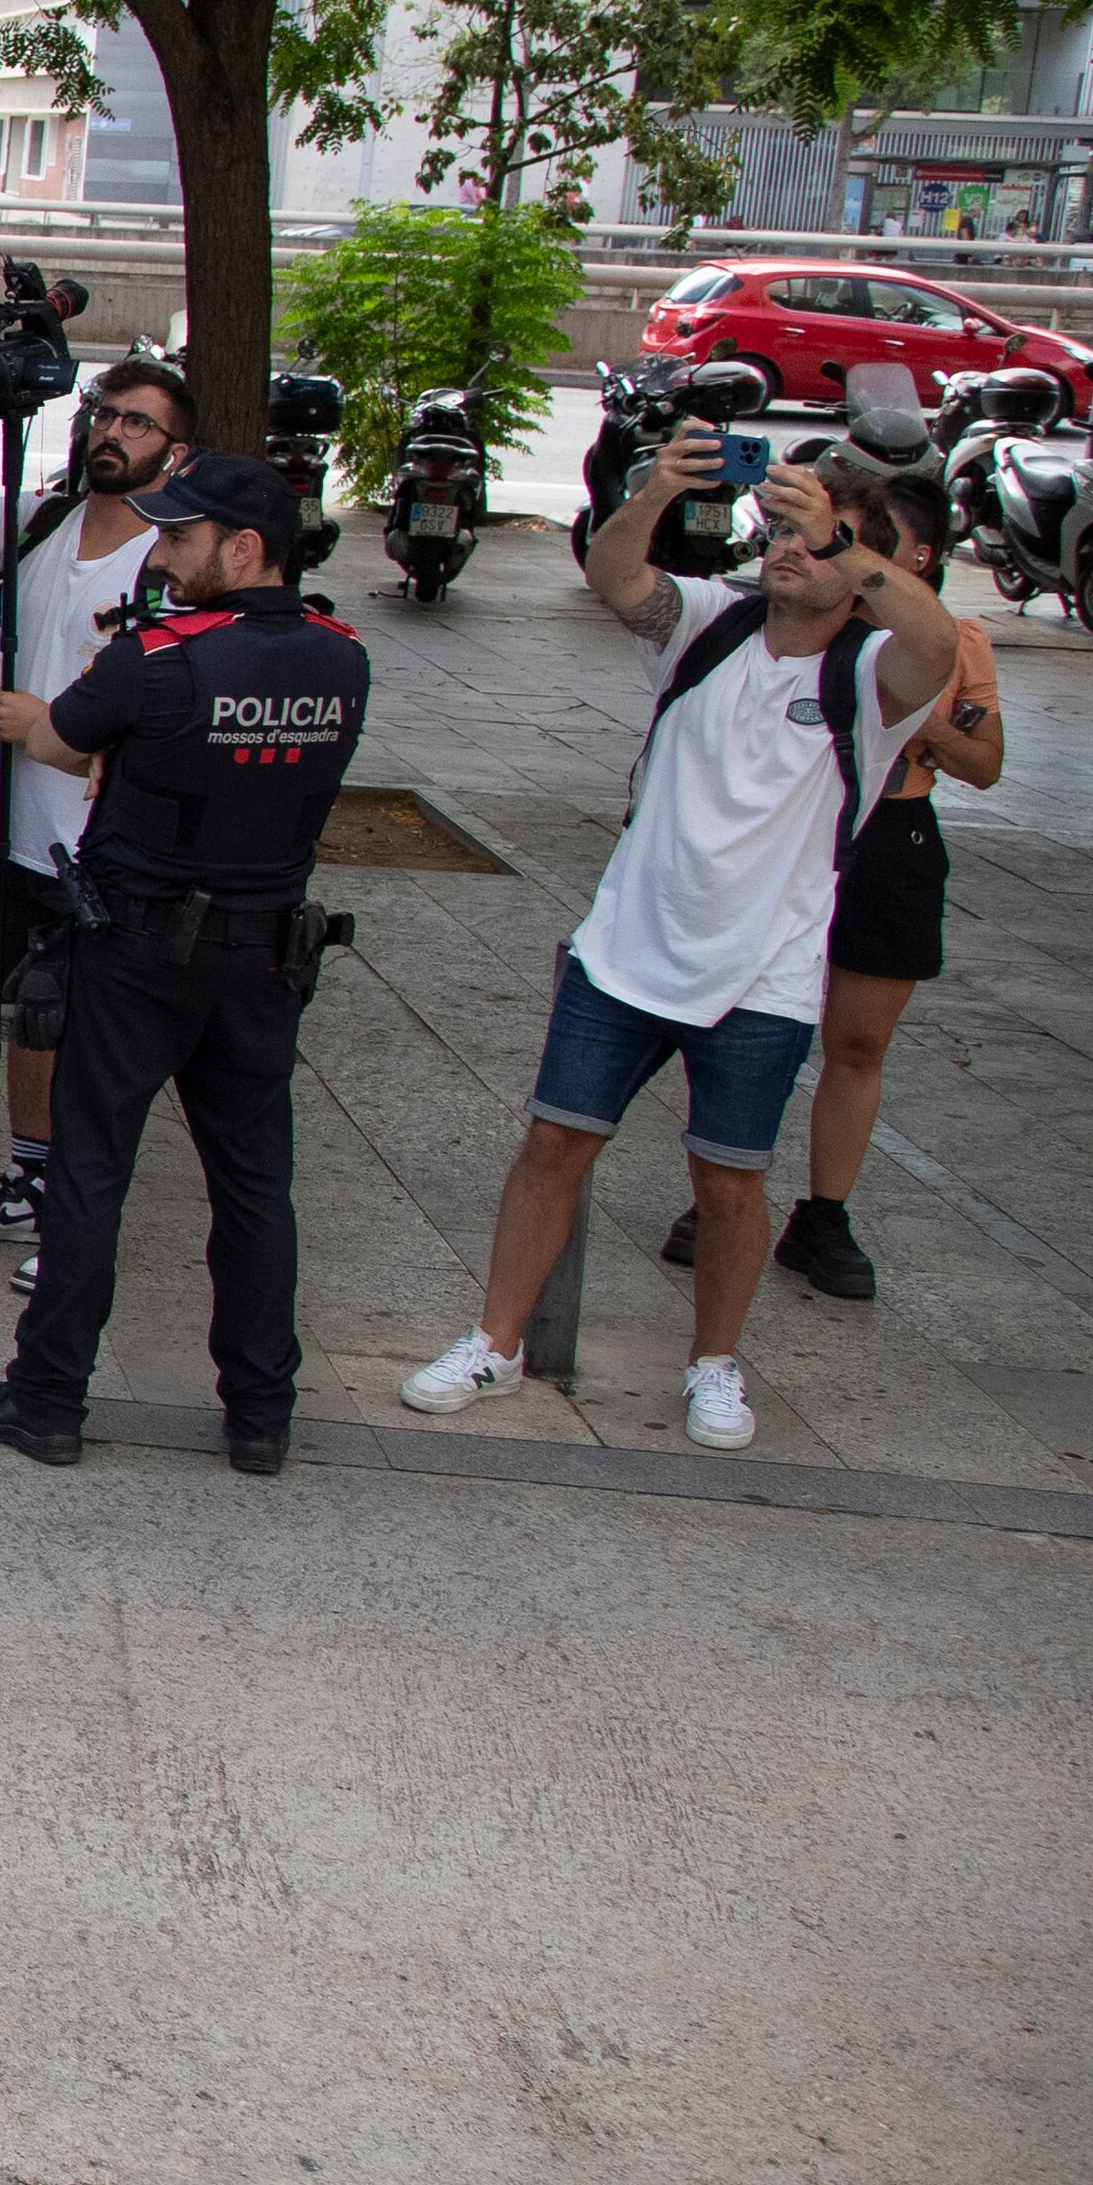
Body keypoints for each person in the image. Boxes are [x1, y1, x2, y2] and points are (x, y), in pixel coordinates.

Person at [399, 448, 959, 1450]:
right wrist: (655, 486)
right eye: (784, 529)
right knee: (552, 1145)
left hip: (764, 974)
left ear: (861, 563)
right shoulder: (706, 626)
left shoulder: (870, 676)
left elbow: (932, 636)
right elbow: (613, 575)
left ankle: (711, 1366)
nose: (791, 547)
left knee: (725, 1183)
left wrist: (843, 542)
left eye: (818, 537)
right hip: (621, 951)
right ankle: (493, 1341)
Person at [0, 457, 369, 1472]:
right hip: (266, 953)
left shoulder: (158, 657)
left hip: (140, 949)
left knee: (89, 1173)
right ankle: (260, 1415)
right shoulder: (338, 658)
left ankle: (47, 1400)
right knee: (254, 1185)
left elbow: (54, 737)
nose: (160, 554)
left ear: (243, 548)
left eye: (179, 539)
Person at [653, 472, 1001, 1301]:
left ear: (921, 555)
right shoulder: (802, 625)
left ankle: (824, 1214)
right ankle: (724, 1191)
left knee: (856, 1042)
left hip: (895, 842)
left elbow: (986, 765)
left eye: (886, 546)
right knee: (754, 1015)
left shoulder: (950, 642)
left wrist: (916, 715)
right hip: (802, 830)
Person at [0, 359, 197, 1255]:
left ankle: (79, 1218)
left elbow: (179, 710)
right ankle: (32, 1178)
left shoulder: (171, 557)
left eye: (139, 424)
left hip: (100, 849)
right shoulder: (43, 516)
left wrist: (53, 724)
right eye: (106, 414)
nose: (112, 432)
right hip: (7, 830)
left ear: (176, 454)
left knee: (90, 1039)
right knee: (24, 1019)